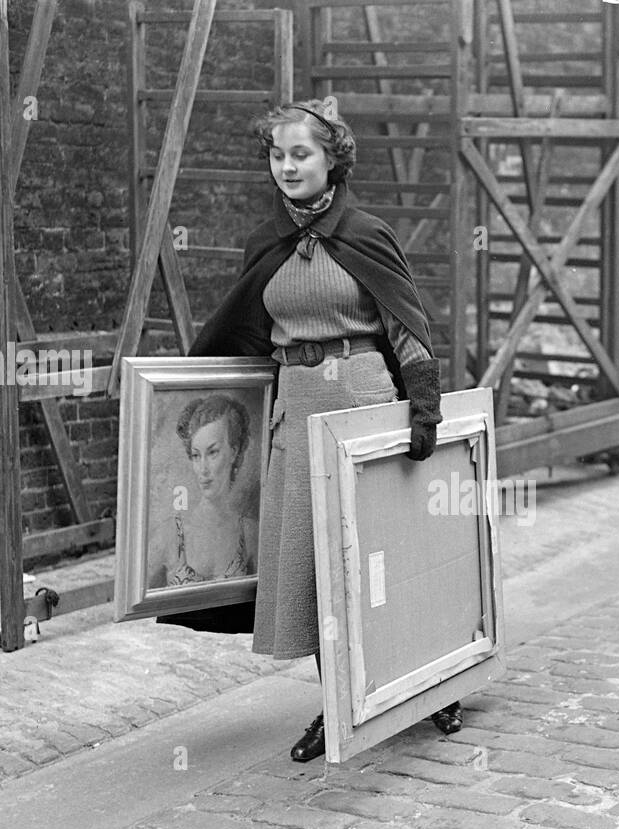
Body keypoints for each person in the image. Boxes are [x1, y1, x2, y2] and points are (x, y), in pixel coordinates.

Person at [157, 98, 463, 761]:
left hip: (361, 402)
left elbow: (406, 327)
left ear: (332, 160)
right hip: (293, 415)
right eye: (278, 155)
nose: (289, 166)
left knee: (384, 559)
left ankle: (429, 684)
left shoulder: (366, 234)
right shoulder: (264, 244)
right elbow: (243, 340)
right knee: (315, 571)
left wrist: (423, 408)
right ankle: (339, 709)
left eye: (302, 153)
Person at [148, 394, 257, 588]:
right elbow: (140, 597)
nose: (203, 469)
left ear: (234, 451)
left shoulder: (250, 532)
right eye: (196, 455)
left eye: (213, 452)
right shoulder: (170, 534)